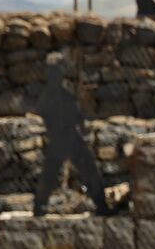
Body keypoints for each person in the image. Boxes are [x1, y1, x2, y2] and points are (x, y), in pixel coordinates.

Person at [32, 58, 113, 217]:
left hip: (66, 138)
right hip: (62, 138)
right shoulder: (52, 97)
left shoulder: (58, 95)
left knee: (85, 170)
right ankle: (39, 206)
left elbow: (77, 115)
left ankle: (101, 205)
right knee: (57, 174)